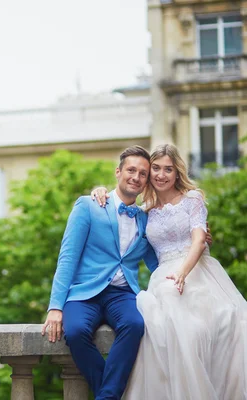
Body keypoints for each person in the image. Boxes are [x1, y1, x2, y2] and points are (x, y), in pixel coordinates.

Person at [90, 144, 247, 399]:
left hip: (196, 270)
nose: (161, 175)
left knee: (218, 324)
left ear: (177, 173)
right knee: (160, 321)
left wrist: (183, 273)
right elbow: (124, 214)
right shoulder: (145, 212)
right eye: (155, 168)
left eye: (169, 169)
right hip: (164, 274)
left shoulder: (193, 199)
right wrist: (100, 192)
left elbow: (198, 240)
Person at [41, 145, 160, 400]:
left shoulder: (145, 219)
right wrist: (55, 306)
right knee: (73, 332)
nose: (136, 177)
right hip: (85, 292)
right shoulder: (88, 205)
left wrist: (196, 247)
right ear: (118, 172)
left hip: (122, 293)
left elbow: (158, 263)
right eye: (131, 170)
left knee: (135, 324)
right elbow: (68, 257)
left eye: (142, 174)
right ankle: (110, 394)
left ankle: (106, 397)